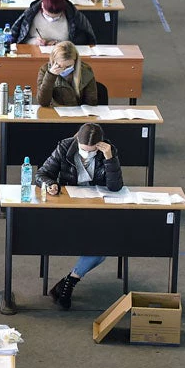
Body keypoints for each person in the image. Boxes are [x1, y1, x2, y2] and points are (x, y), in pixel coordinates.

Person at [35, 123, 122, 310]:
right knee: (98, 245)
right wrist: (50, 184)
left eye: (92, 151)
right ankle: (68, 284)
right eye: (84, 150)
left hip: (96, 209)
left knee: (103, 245)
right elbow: (42, 173)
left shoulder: (109, 151)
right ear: (77, 142)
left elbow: (115, 187)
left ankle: (70, 281)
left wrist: (109, 159)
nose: (87, 154)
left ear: (100, 145)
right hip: (68, 207)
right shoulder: (65, 146)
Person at [8, 0, 96, 46]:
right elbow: (19, 39)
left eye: (57, 17)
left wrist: (60, 44)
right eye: (48, 15)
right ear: (42, 6)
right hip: (36, 52)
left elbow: (83, 40)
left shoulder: (73, 16)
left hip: (64, 55)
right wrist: (34, 42)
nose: (52, 19)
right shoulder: (30, 15)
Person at [37, 41, 98, 107]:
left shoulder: (85, 71)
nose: (64, 69)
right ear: (53, 61)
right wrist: (51, 75)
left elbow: (91, 102)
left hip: (78, 114)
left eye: (68, 66)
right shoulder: (45, 70)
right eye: (60, 66)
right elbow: (43, 102)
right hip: (54, 113)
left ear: (75, 61)